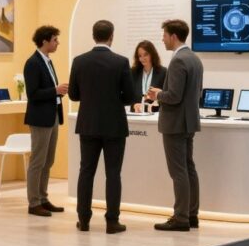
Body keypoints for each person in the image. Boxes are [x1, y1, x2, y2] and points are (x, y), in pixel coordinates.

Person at [68, 20, 136, 234]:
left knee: (86, 172)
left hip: (88, 124)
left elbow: (73, 95)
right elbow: (130, 97)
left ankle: (84, 219)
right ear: (111, 36)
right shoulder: (121, 62)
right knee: (113, 173)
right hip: (114, 125)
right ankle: (112, 221)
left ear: (93, 36)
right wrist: (114, 99)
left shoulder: (79, 61)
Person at [147, 19, 204, 232]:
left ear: (173, 36)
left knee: (178, 171)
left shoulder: (179, 60)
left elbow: (174, 96)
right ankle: (191, 214)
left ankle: (181, 218)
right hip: (188, 122)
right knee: (189, 168)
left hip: (175, 123)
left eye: (164, 35)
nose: (162, 39)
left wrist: (157, 94)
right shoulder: (195, 58)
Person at [23, 25, 69, 217]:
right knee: (37, 161)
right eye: (55, 40)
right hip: (40, 118)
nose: (58, 43)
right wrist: (55, 90)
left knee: (48, 161)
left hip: (52, 116)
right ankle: (34, 202)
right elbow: (33, 94)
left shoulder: (48, 61)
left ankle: (43, 198)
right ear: (45, 41)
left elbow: (47, 91)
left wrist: (58, 93)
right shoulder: (33, 63)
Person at [130, 40, 167, 111]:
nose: (142, 58)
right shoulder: (133, 72)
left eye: (145, 54)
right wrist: (134, 105)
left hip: (155, 113)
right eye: (140, 56)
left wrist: (157, 103)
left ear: (152, 54)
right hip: (137, 114)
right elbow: (129, 96)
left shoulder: (163, 72)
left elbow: (166, 96)